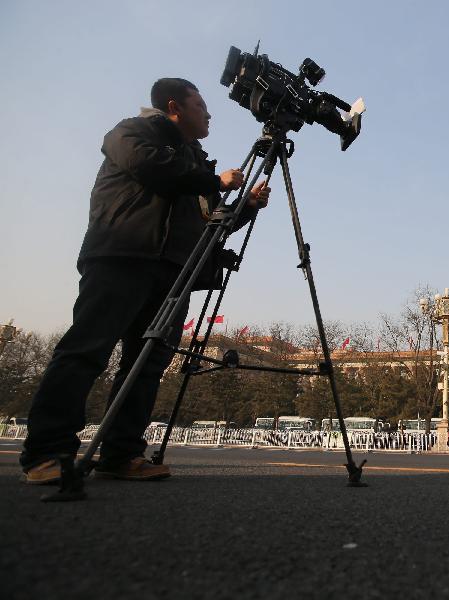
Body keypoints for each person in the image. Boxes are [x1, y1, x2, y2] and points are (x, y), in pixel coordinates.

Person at [20, 78, 270, 484]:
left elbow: (210, 224)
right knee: (87, 350)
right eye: (200, 105)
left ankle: (121, 454)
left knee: (147, 364)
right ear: (174, 106)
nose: (208, 114)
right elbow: (150, 167)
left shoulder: (195, 160)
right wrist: (214, 181)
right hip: (122, 256)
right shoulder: (132, 132)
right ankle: (47, 453)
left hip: (173, 271)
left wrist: (246, 207)